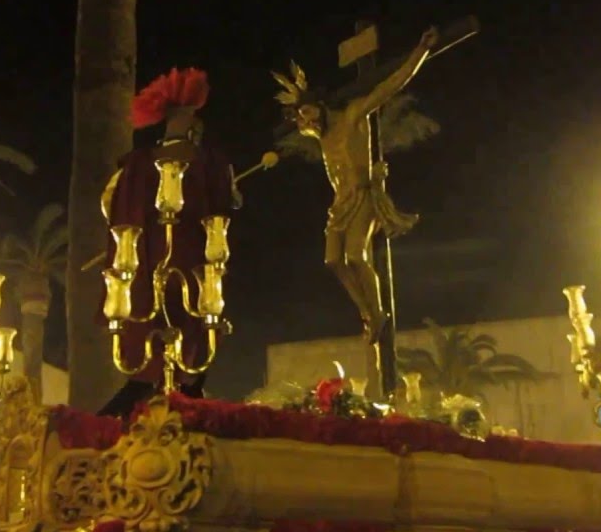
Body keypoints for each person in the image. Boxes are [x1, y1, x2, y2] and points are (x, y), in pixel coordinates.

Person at [273, 27, 438, 343]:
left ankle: (378, 313)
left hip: (363, 195)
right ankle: (366, 312)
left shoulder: (351, 116)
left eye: (306, 112)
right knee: (332, 260)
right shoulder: (322, 138)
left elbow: (391, 85)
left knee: (356, 257)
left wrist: (420, 52)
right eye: (299, 119)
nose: (304, 122)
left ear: (319, 105)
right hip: (340, 204)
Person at [97, 67, 237, 418]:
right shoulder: (207, 161)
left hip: (152, 274)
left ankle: (174, 398)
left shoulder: (134, 165)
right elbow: (225, 205)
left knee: (167, 355)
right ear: (189, 120)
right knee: (179, 354)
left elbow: (110, 205)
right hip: (188, 273)